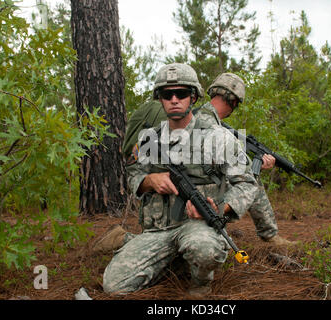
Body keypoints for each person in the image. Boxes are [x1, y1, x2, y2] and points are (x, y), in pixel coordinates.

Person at [102, 63, 258, 297]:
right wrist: (150, 180)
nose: (174, 99)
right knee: (114, 286)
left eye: (182, 93)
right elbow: (133, 175)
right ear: (160, 99)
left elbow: (246, 183)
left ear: (193, 97)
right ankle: (169, 259)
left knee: (205, 249)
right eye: (167, 94)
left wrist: (220, 208)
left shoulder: (218, 137)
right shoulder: (149, 139)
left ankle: (200, 283)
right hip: (158, 230)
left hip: (199, 226)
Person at [198, 72, 296, 246]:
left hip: (179, 199)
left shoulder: (191, 116)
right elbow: (244, 178)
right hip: (205, 202)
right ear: (234, 102)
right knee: (252, 182)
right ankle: (270, 235)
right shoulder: (219, 132)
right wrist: (256, 168)